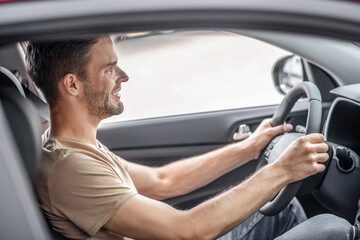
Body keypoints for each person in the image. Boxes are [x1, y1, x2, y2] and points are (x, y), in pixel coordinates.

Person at [27, 36, 344, 240]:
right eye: (109, 69)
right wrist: (281, 170)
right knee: (334, 230)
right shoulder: (70, 168)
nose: (124, 76)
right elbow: (186, 232)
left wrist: (247, 149)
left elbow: (162, 181)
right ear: (72, 84)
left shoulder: (75, 147)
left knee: (285, 210)